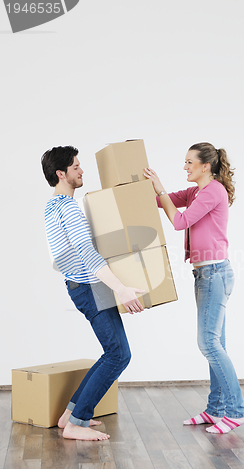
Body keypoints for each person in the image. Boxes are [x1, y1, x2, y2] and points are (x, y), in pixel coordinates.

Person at [42, 146, 145, 441]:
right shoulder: (68, 207)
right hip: (88, 287)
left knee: (113, 352)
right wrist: (122, 289)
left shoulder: (51, 206)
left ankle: (71, 414)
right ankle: (76, 423)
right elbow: (86, 253)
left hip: (80, 285)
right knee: (119, 354)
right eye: (76, 167)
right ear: (61, 174)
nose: (82, 170)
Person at [144, 142, 244, 434]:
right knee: (217, 345)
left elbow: (179, 221)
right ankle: (215, 409)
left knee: (209, 345)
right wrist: (141, 190)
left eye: (190, 162)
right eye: (185, 163)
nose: (186, 167)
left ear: (206, 166)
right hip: (205, 274)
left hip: (215, 274)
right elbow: (161, 201)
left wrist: (160, 189)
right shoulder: (195, 192)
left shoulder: (214, 191)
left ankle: (237, 411)